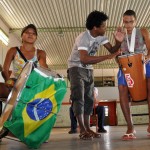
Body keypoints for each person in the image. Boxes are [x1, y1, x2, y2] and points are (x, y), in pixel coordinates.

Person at [67, 10, 125, 140]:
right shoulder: (83, 38)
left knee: (89, 99)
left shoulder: (101, 36)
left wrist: (118, 42)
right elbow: (84, 59)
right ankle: (82, 129)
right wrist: (107, 57)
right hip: (76, 67)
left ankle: (88, 128)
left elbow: (112, 50)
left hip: (89, 69)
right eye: (103, 26)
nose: (105, 27)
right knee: (79, 97)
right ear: (95, 27)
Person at [0, 24, 48, 140]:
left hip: (32, 85)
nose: (30, 35)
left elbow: (44, 69)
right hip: (16, 84)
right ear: (22, 36)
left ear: (36, 37)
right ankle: (4, 127)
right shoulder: (13, 50)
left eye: (33, 33)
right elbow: (5, 70)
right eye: (27, 33)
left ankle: (37, 132)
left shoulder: (40, 53)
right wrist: (9, 82)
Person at [117, 10, 150, 140]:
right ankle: (130, 126)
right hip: (126, 63)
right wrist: (116, 41)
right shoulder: (121, 33)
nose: (128, 25)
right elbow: (115, 53)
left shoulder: (143, 31)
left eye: (131, 22)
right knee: (121, 88)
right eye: (126, 22)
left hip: (143, 61)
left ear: (135, 21)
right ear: (123, 22)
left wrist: (148, 56)